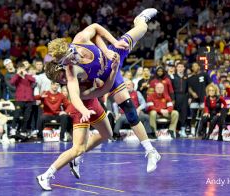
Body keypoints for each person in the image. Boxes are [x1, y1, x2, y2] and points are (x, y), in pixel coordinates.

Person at [39, 8, 161, 191]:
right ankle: (48, 173)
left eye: (67, 60)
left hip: (112, 55)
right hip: (91, 97)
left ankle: (141, 17)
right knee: (127, 108)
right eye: (63, 65)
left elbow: (95, 29)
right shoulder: (71, 72)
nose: (67, 66)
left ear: (69, 49)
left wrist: (111, 45)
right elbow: (85, 94)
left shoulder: (80, 39)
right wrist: (111, 72)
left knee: (141, 29)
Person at [37, 52, 120, 191]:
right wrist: (84, 110)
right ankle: (46, 175)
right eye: (59, 81)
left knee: (107, 133)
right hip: (80, 108)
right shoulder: (70, 79)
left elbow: (103, 86)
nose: (63, 81)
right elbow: (76, 98)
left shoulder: (79, 63)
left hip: (93, 103)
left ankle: (77, 157)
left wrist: (114, 69)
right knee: (77, 148)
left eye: (61, 77)